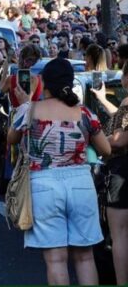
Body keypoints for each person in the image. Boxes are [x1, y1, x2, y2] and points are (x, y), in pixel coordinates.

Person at [8, 58, 111, 285]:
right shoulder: (84, 113)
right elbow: (106, 149)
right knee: (85, 257)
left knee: (56, 260)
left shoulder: (30, 110)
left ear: (42, 81)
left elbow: (11, 139)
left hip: (43, 184)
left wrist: (25, 102)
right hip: (80, 183)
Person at [90, 63, 128, 285]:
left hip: (122, 169)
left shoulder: (126, 102)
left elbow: (122, 139)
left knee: (120, 235)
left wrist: (102, 140)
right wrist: (103, 99)